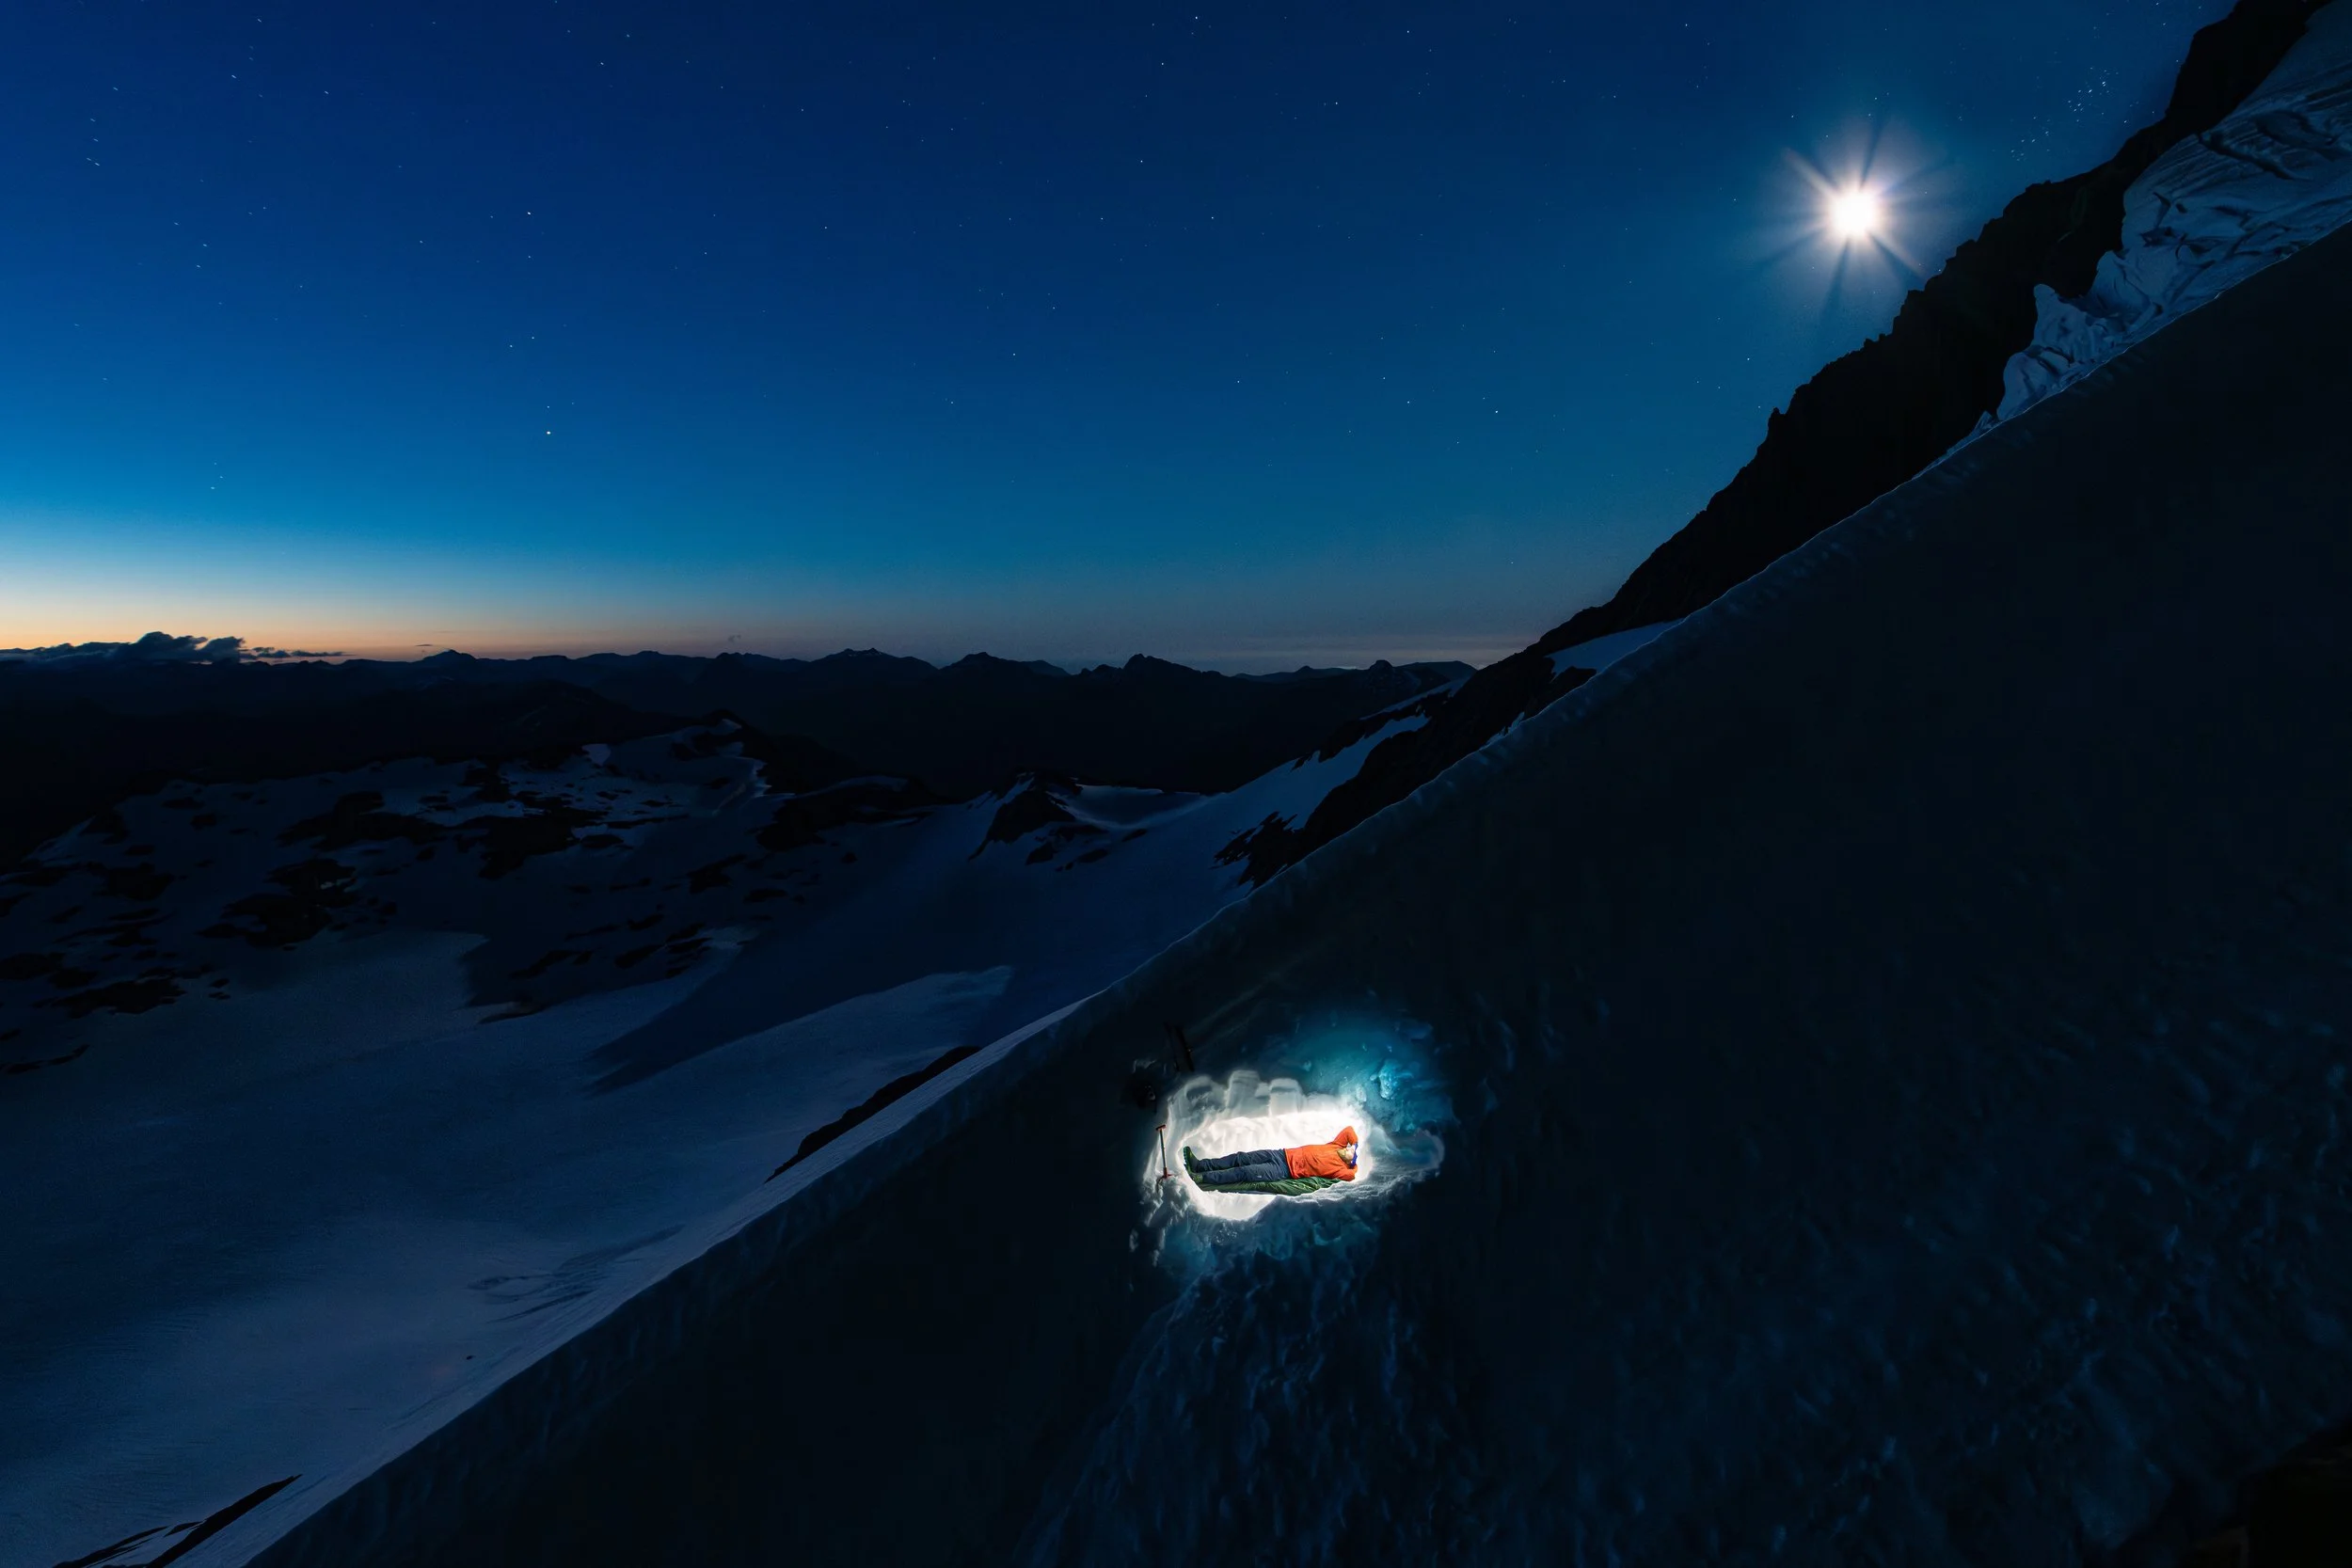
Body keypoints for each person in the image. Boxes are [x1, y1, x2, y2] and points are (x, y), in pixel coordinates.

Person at [1183, 1126, 1359, 1196]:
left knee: (1245, 1173)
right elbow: (1349, 1131)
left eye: (1350, 1150)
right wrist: (1355, 1145)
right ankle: (1200, 1165)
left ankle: (1204, 1178)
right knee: (1241, 1158)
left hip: (1283, 1171)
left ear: (1350, 1161)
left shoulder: (1340, 1169)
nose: (1347, 1148)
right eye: (1348, 1146)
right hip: (1280, 1154)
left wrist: (1354, 1161)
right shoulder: (1336, 1145)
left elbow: (1351, 1175)